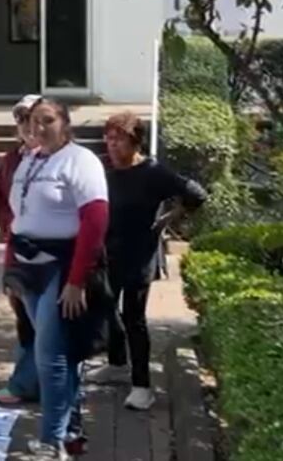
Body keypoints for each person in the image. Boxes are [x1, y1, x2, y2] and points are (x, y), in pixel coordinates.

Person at [5, 97, 111, 460]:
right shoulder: (30, 159)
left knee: (49, 355)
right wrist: (9, 267)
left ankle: (51, 441)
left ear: (65, 123)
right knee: (56, 354)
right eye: (33, 120)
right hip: (27, 267)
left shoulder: (81, 161)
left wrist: (77, 280)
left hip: (61, 266)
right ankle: (68, 435)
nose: (38, 127)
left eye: (47, 120)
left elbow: (95, 220)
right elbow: (17, 219)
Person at [85, 111, 206, 411]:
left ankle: (142, 386)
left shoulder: (153, 172)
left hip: (139, 255)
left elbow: (196, 194)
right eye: (108, 138)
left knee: (133, 318)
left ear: (135, 142)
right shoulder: (106, 172)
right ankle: (116, 364)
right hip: (108, 252)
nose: (112, 146)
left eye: (119, 140)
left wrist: (170, 216)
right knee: (104, 306)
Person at [0, 95, 42, 406]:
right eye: (21, 118)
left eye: (32, 117)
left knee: (43, 321)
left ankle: (24, 383)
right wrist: (9, 230)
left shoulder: (59, 158)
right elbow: (0, 201)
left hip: (47, 255)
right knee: (24, 319)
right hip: (16, 251)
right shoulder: (9, 160)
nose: (26, 124)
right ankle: (30, 382)